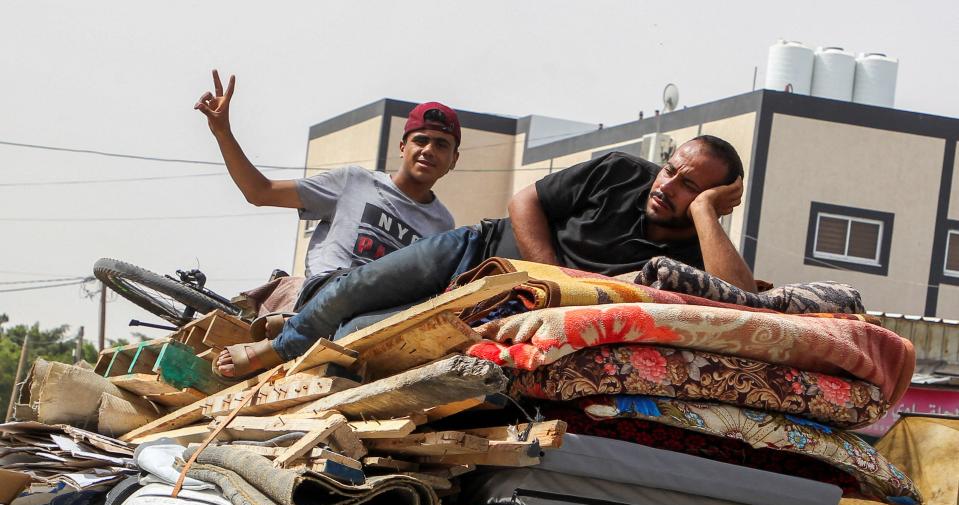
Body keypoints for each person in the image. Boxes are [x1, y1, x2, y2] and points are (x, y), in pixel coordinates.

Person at [215, 135, 752, 377]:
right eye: (671, 170)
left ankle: (304, 351)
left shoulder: (697, 248)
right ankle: (279, 350)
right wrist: (547, 275)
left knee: (365, 332)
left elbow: (746, 302)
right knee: (351, 289)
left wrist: (705, 214)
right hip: (472, 252)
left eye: (691, 187)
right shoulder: (619, 170)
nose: (668, 186)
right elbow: (526, 201)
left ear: (717, 199)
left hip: (494, 311)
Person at [194, 69, 460, 307]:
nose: (428, 150)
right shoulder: (353, 182)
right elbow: (260, 192)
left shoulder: (443, 226)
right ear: (403, 147)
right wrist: (223, 132)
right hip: (324, 299)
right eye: (421, 140)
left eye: (441, 144)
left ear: (453, 160)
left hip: (376, 319)